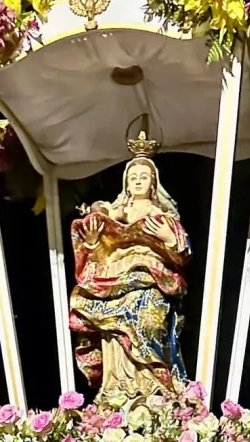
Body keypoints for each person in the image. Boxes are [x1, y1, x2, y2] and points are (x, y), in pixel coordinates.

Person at [69, 148, 191, 400]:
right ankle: (117, 388)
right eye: (132, 176)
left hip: (150, 280)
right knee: (113, 328)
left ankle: (153, 386)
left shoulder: (162, 217)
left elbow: (182, 253)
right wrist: (92, 240)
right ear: (125, 183)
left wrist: (168, 239)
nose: (137, 181)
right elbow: (97, 251)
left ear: (153, 183)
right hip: (113, 280)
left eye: (143, 176)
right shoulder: (115, 214)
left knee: (148, 320)